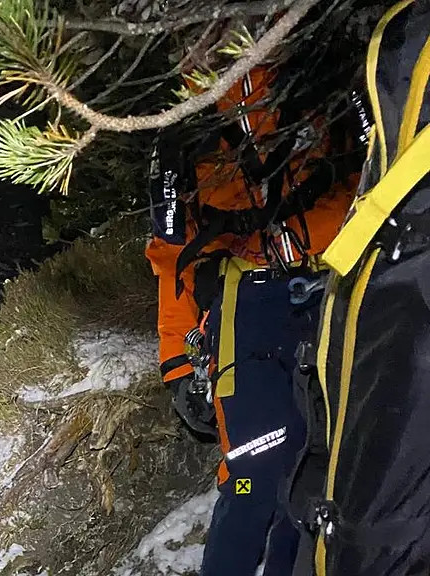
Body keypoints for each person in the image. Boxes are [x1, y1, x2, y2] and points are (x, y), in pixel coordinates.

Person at [146, 64, 360, 576]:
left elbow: (364, 185)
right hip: (249, 308)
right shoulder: (186, 131)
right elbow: (172, 257)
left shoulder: (316, 85)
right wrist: (176, 362)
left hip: (331, 291)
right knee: (252, 475)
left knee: (321, 470)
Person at [291, 2, 430, 574]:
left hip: (374, 287)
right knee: (256, 486)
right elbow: (176, 258)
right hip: (318, 297)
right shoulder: (397, 44)